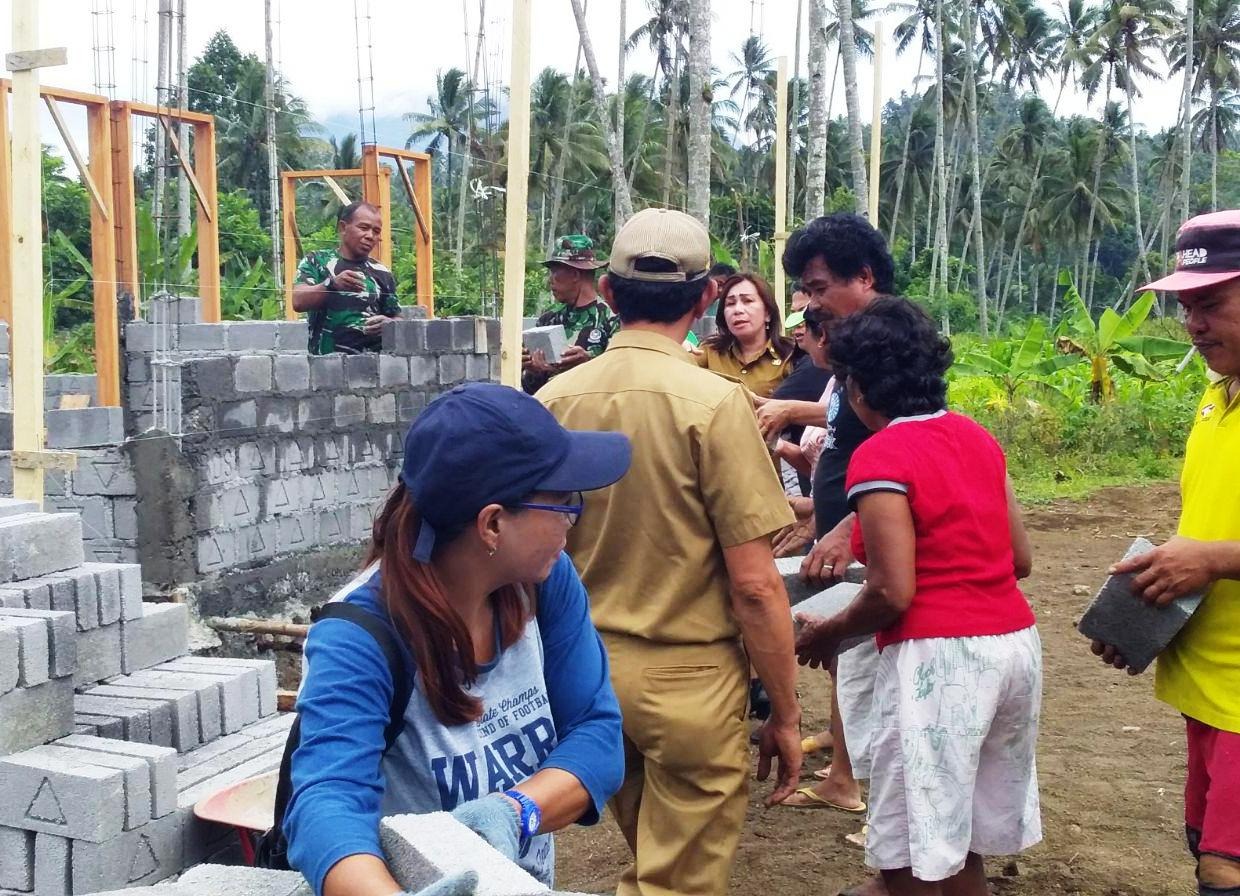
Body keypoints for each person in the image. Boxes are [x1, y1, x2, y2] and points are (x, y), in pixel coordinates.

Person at [538, 208, 803, 896]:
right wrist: (786, 711)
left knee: (652, 855)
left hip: (586, 672)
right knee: (677, 881)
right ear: (707, 296)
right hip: (692, 679)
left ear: (612, 294)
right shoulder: (717, 406)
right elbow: (755, 585)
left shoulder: (556, 400)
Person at [284, 382, 631, 896]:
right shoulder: (360, 636)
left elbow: (597, 735)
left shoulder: (544, 582)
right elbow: (327, 801)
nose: (572, 524)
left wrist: (515, 811)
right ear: (492, 524)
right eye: (563, 504)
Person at [796, 297, 1041, 896]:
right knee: (965, 834)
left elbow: (891, 589)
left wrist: (831, 631)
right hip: (1013, 647)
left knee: (911, 838)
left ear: (856, 388)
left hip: (941, 660)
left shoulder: (879, 455)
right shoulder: (977, 438)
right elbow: (1020, 559)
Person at [1090, 210, 1240, 896]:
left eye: (1211, 304)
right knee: (1202, 848)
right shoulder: (1216, 399)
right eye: (1185, 307)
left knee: (1225, 869)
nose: (1193, 324)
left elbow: (1211, 551)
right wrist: (1138, 616)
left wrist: (1210, 560)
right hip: (1205, 680)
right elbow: (1202, 529)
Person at [293, 201, 400, 355]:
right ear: (343, 227)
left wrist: (390, 324)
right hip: (327, 367)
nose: (370, 236)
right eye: (363, 228)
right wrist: (332, 285)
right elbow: (298, 301)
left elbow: (397, 317)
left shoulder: (382, 272)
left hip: (373, 368)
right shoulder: (317, 262)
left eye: (376, 231)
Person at [522, 234, 619, 394]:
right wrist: (534, 371)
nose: (550, 280)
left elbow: (619, 380)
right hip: (550, 412)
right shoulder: (549, 320)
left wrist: (588, 363)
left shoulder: (610, 319)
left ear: (574, 274)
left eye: (555, 272)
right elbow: (530, 390)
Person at [696, 273, 797, 398]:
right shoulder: (710, 351)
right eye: (730, 303)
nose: (737, 310)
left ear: (768, 313)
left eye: (747, 301)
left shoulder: (790, 355)